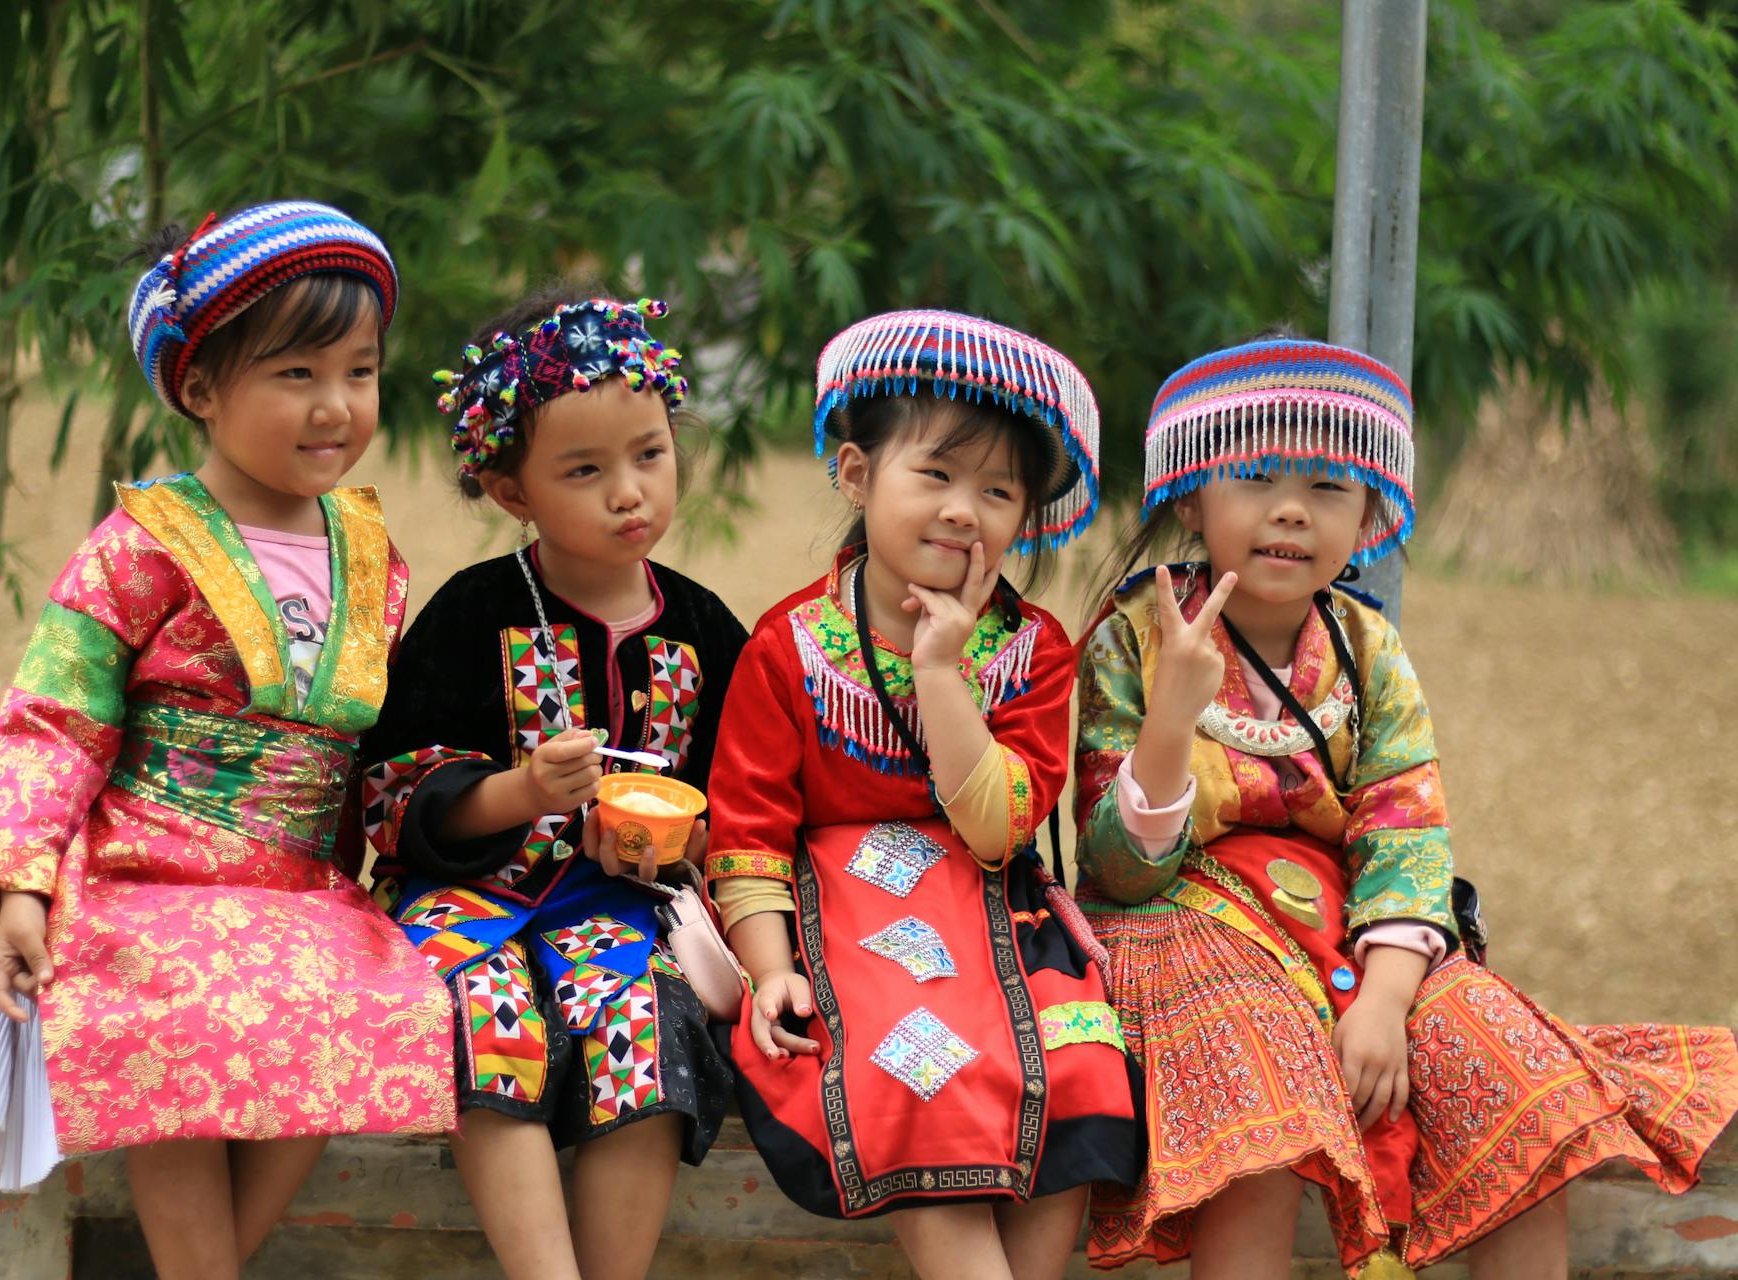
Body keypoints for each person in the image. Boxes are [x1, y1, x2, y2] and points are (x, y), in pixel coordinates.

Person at [1075, 334, 1738, 1278]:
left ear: (1370, 510)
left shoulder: (1368, 648)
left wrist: (1386, 997)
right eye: (1256, 477)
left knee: (1499, 1057)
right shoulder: (1134, 638)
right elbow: (1115, 869)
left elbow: (1405, 828)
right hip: (1183, 926)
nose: (1291, 511)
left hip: (1357, 926)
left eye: (1329, 488)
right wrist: (1171, 726)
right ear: (1190, 495)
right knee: (1256, 1081)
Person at [0, 201, 456, 1280]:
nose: (336, 405)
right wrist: (20, 885)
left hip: (302, 886)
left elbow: (379, 750)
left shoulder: (373, 555)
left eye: (361, 371)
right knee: (179, 1006)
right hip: (155, 875)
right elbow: (53, 716)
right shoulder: (139, 545)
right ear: (198, 388)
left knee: (370, 1001)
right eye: (296, 374)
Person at [706, 310, 1143, 1280]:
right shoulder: (788, 647)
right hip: (849, 921)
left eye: (997, 489)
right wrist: (771, 966)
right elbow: (746, 828)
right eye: (935, 474)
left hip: (998, 905)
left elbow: (998, 827)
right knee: (917, 1066)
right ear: (858, 474)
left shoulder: (1034, 652)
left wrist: (944, 676)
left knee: (1076, 1061)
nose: (962, 509)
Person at [356, 287, 745, 1280]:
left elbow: (748, 801)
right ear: (510, 489)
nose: (630, 492)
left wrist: (680, 844)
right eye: (585, 468)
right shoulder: (471, 614)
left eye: (650, 454)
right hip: (462, 896)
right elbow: (392, 792)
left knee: (643, 1024)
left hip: (619, 906)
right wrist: (521, 793)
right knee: (485, 1011)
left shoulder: (705, 628)